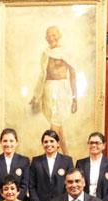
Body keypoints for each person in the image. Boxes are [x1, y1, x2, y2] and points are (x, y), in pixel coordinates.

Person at [30, 25, 77, 155]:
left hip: (62, 89)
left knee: (56, 123)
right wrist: (36, 96)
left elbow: (73, 74)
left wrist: (74, 98)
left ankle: (49, 157)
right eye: (48, 35)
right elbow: (42, 75)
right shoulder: (45, 53)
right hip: (48, 89)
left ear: (59, 35)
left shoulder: (65, 52)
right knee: (57, 124)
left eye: (53, 35)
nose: (51, 38)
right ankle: (67, 157)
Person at [75, 132, 108, 201]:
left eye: (97, 143)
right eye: (91, 142)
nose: (94, 145)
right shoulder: (80, 163)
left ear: (103, 145)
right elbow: (77, 185)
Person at [0, 128, 30, 201]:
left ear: (16, 142)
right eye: (5, 141)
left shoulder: (24, 161)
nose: (8, 144)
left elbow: (24, 185)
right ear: (0, 142)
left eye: (11, 141)